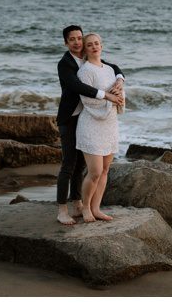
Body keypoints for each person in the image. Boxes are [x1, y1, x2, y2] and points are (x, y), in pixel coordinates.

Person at [54, 24, 125, 226]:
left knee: (81, 165)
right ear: (66, 43)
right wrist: (108, 96)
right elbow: (78, 86)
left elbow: (113, 68)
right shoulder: (65, 63)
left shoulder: (88, 56)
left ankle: (78, 202)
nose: (77, 42)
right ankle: (62, 209)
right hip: (70, 118)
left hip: (89, 117)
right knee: (68, 164)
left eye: (79, 38)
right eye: (72, 39)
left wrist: (120, 78)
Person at [74, 33, 126, 223]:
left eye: (97, 43)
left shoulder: (110, 69)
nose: (94, 47)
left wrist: (119, 92)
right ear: (85, 49)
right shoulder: (85, 71)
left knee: (105, 170)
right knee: (94, 171)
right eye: (90, 45)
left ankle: (96, 208)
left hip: (110, 124)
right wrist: (109, 99)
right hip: (91, 123)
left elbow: (118, 90)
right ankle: (85, 207)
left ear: (101, 46)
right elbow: (87, 99)